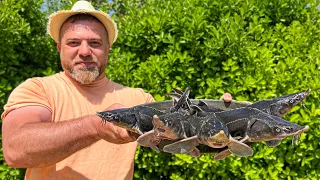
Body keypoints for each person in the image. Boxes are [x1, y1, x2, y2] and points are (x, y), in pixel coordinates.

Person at [1, 1, 232, 179]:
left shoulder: (138, 99)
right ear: (59, 48)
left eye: (95, 43)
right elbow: (15, 149)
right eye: (73, 43)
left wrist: (223, 116)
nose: (84, 51)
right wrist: (94, 127)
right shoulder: (37, 89)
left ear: (107, 49)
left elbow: (184, 132)